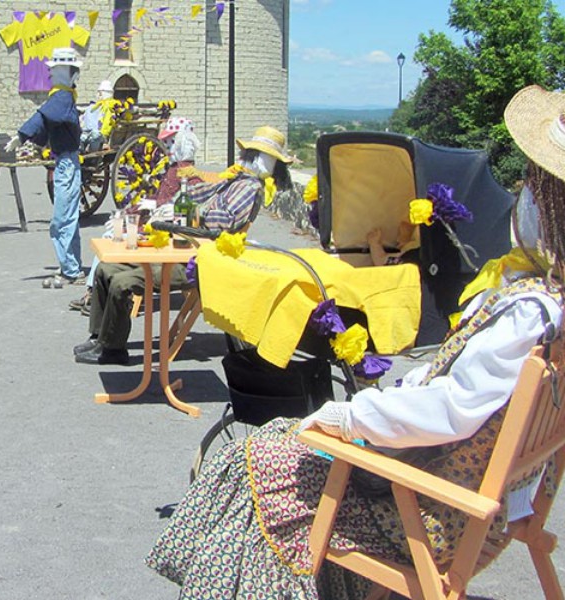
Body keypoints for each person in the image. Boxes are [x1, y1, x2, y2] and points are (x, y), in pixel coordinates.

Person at [145, 85, 565, 599]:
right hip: (490, 498)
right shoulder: (547, 304)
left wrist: (352, 416)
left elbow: (455, 407)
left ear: (545, 204)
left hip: (429, 511)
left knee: (254, 460)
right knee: (281, 442)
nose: (518, 194)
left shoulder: (525, 312)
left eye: (528, 184)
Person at [74, 125, 294, 365]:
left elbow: (224, 221)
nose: (250, 159)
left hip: (199, 260)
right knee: (105, 269)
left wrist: (186, 211)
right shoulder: (236, 179)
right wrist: (180, 189)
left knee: (121, 282)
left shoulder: (250, 188)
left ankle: (112, 349)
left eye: (256, 155)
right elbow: (202, 190)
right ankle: (100, 337)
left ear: (267, 162)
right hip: (186, 248)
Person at [69, 116, 204, 317]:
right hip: (154, 222)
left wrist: (154, 209)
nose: (168, 146)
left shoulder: (189, 175)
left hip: (163, 231)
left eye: (172, 141)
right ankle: (93, 291)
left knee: (113, 238)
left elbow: (183, 205)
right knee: (112, 233)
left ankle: (97, 294)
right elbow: (157, 197)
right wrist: (131, 211)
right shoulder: (174, 170)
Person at [6, 47, 86, 288]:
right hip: (66, 162)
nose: (50, 74)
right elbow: (47, 120)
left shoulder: (61, 98)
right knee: (67, 217)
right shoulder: (63, 97)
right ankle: (72, 267)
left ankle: (71, 270)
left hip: (67, 164)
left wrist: (22, 136)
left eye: (54, 70)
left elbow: (42, 117)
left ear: (65, 72)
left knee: (61, 220)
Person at [80, 80, 115, 153]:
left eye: (100, 93)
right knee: (80, 138)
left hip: (100, 134)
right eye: (98, 93)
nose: (98, 95)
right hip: (86, 132)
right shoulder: (93, 106)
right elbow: (83, 119)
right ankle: (81, 153)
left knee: (95, 135)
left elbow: (108, 123)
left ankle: (91, 155)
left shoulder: (110, 107)